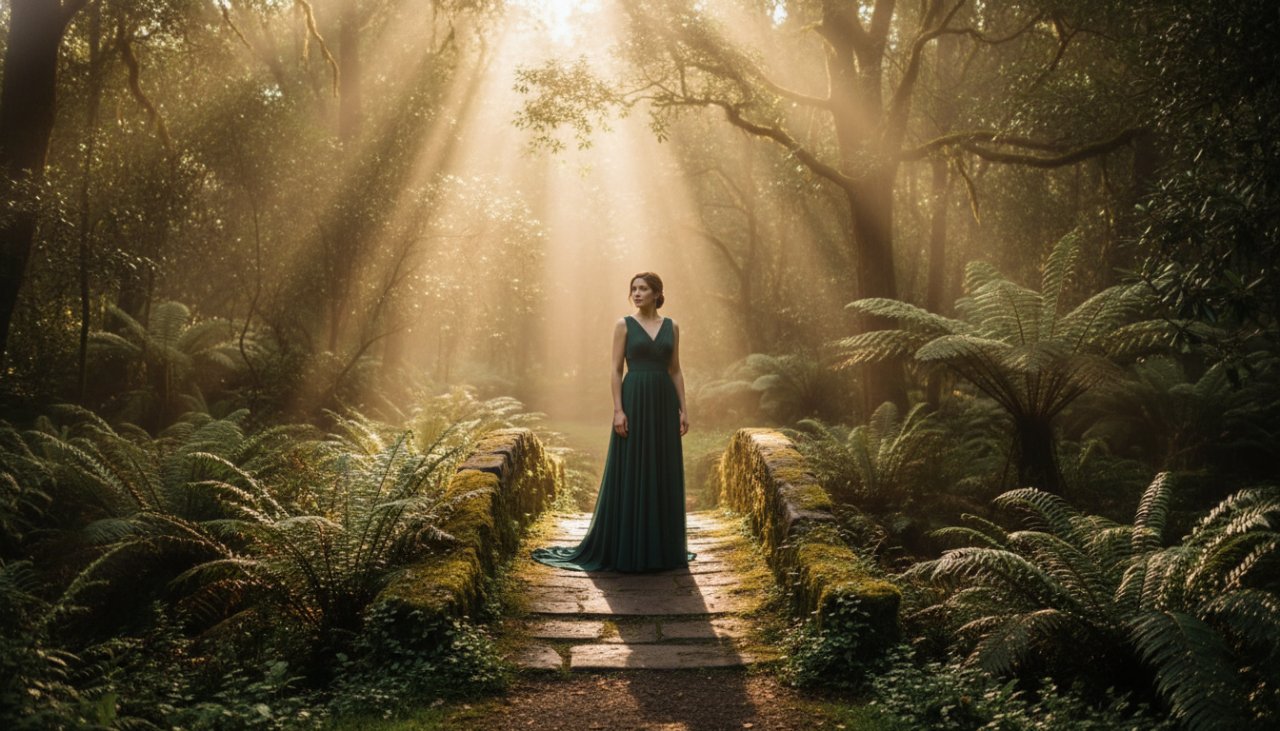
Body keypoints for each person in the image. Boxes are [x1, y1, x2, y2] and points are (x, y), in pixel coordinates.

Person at [531, 272, 696, 572]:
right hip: (634, 400)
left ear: (658, 293)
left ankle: (662, 548)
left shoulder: (672, 326)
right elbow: (614, 369)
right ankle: (629, 546)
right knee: (633, 467)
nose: (636, 293)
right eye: (633, 289)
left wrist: (684, 409)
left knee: (662, 468)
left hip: (663, 402)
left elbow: (675, 370)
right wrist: (618, 410)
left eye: (643, 289)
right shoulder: (623, 325)